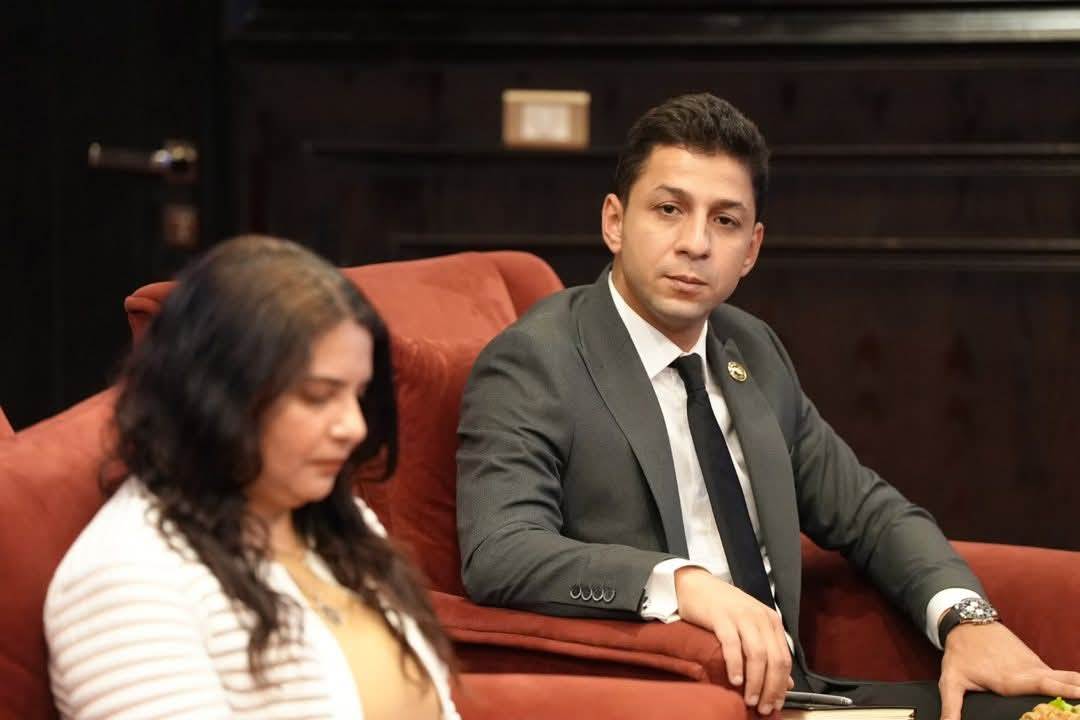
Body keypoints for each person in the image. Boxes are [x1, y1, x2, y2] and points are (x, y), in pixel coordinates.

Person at [456, 93, 1080, 720]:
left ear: (751, 249)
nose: (695, 243)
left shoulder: (749, 347)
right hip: (671, 700)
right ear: (615, 222)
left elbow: (868, 513)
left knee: (1042, 712)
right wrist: (684, 585)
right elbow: (500, 551)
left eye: (725, 221)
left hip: (799, 696)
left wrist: (967, 619)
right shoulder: (537, 359)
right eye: (669, 210)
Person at [45, 236, 459, 720]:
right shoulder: (127, 578)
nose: (355, 426)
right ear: (217, 395)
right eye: (318, 396)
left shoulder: (332, 517)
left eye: (358, 395)